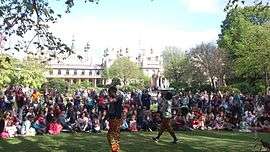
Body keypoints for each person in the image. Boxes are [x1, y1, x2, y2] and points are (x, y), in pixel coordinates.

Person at [106, 86, 123, 152]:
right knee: (110, 135)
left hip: (116, 118)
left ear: (113, 92)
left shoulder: (119, 96)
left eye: (109, 92)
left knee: (114, 135)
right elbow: (110, 109)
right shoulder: (113, 98)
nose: (108, 94)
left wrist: (108, 100)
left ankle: (115, 150)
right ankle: (115, 149)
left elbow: (113, 100)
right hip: (112, 118)